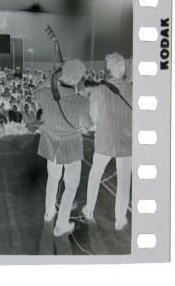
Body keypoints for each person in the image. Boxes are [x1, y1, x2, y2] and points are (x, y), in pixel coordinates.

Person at [33, 59, 89, 237]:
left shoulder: (46, 94)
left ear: (61, 75)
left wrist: (53, 76)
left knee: (53, 179)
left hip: (51, 146)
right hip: (71, 148)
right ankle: (61, 225)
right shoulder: (82, 101)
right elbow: (88, 124)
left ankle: (49, 213)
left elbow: (36, 91)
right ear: (79, 80)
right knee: (71, 186)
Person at [82, 53, 132, 231]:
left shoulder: (98, 91)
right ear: (124, 69)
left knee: (95, 175)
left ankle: (89, 209)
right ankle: (120, 219)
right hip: (127, 142)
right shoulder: (134, 89)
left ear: (108, 69)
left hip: (104, 141)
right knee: (124, 181)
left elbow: (94, 119)